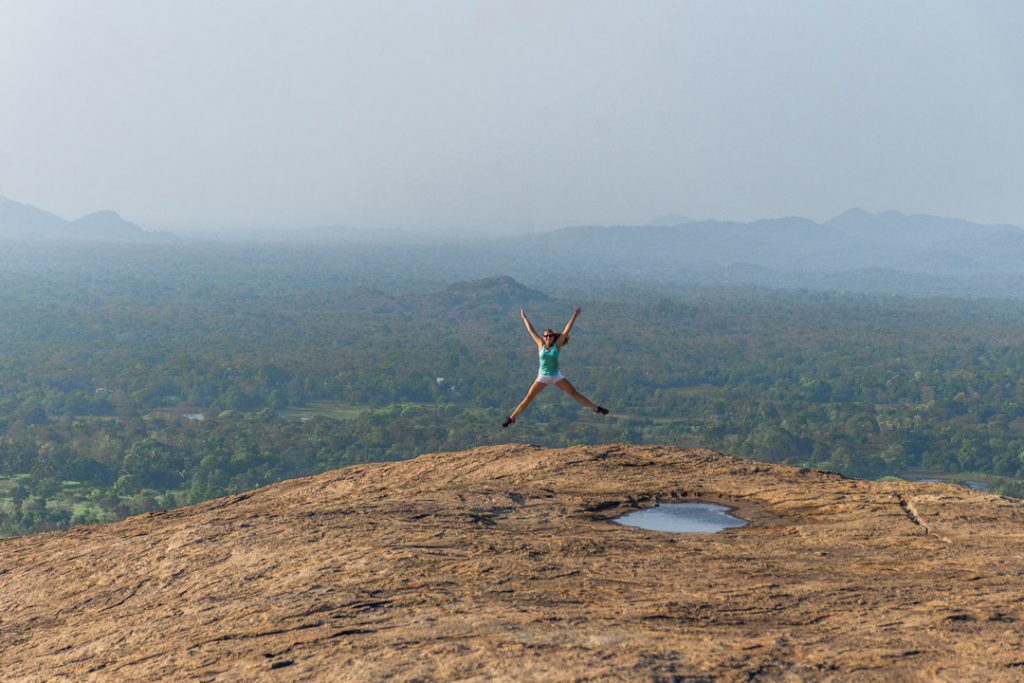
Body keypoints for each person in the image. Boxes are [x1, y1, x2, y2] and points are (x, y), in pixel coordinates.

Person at [502, 306, 609, 427]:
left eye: (550, 336)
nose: (548, 338)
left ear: (553, 337)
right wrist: (524, 318)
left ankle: (596, 408)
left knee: (574, 393)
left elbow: (566, 330)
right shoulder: (540, 344)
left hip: (556, 375)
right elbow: (531, 331)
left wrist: (575, 315)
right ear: (543, 337)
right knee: (528, 398)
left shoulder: (557, 346)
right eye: (546, 336)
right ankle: (512, 418)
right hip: (542, 376)